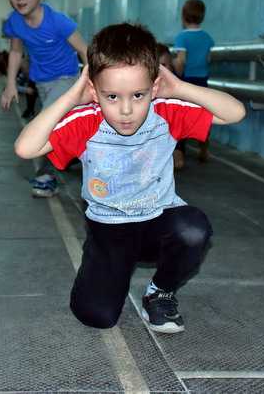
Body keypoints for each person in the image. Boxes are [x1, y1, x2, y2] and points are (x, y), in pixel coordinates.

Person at [14, 23, 246, 333]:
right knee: (97, 317)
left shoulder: (166, 111)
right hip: (109, 232)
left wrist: (180, 88)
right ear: (94, 91)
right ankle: (102, 265)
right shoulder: (87, 121)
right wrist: (73, 97)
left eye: (138, 95)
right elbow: (25, 147)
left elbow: (235, 113)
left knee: (193, 229)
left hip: (158, 222)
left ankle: (160, 292)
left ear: (154, 86)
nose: (126, 110)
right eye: (112, 96)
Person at [0, 0, 88, 198]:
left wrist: (92, 80)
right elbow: (16, 51)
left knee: (42, 126)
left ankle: (46, 176)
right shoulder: (15, 22)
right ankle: (74, 156)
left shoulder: (58, 21)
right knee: (61, 128)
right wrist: (10, 84)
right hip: (41, 83)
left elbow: (84, 50)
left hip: (67, 79)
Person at [173, 0, 216, 163]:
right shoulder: (207, 38)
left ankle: (179, 154)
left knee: (181, 117)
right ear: (202, 17)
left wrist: (176, 70)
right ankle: (204, 145)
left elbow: (181, 61)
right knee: (201, 115)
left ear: (183, 17)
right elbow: (209, 58)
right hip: (202, 81)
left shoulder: (182, 37)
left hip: (187, 81)